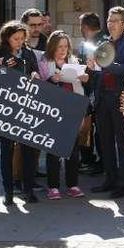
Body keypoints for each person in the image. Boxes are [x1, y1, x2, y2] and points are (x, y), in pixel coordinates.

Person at [0, 21, 41, 205]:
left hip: (27, 106)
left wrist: (35, 75)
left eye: (22, 38)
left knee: (30, 150)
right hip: (6, 108)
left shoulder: (28, 53)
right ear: (6, 38)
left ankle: (28, 189)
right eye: (15, 39)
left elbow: (35, 70)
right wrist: (0, 67)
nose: (19, 42)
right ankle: (8, 191)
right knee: (7, 151)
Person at [89, 6, 124, 199]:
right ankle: (110, 179)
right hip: (103, 98)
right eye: (109, 21)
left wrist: (104, 62)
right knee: (105, 142)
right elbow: (98, 73)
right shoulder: (103, 42)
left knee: (122, 142)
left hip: (120, 98)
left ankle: (123, 182)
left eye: (115, 21)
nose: (110, 24)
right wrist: (91, 67)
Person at [38, 31, 89, 200]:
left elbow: (85, 88)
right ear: (52, 47)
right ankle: (53, 186)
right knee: (53, 151)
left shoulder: (74, 62)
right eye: (59, 46)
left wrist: (86, 78)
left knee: (73, 151)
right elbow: (39, 88)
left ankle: (72, 185)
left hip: (71, 110)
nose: (63, 50)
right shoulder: (44, 63)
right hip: (52, 112)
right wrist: (52, 80)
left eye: (65, 46)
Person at [76, 12, 108, 175]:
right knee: (98, 131)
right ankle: (101, 162)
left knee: (93, 130)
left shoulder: (89, 44)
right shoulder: (107, 40)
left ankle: (93, 162)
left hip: (93, 92)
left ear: (85, 27)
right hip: (100, 91)